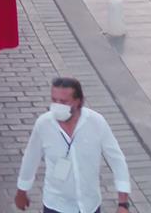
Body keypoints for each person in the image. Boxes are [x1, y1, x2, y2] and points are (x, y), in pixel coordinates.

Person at [14, 77, 132, 213]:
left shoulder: (96, 122)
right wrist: (21, 192)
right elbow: (30, 158)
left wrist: (123, 203)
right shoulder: (43, 124)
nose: (57, 106)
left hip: (90, 205)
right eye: (54, 100)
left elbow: (116, 159)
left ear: (78, 101)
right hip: (56, 205)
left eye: (63, 102)